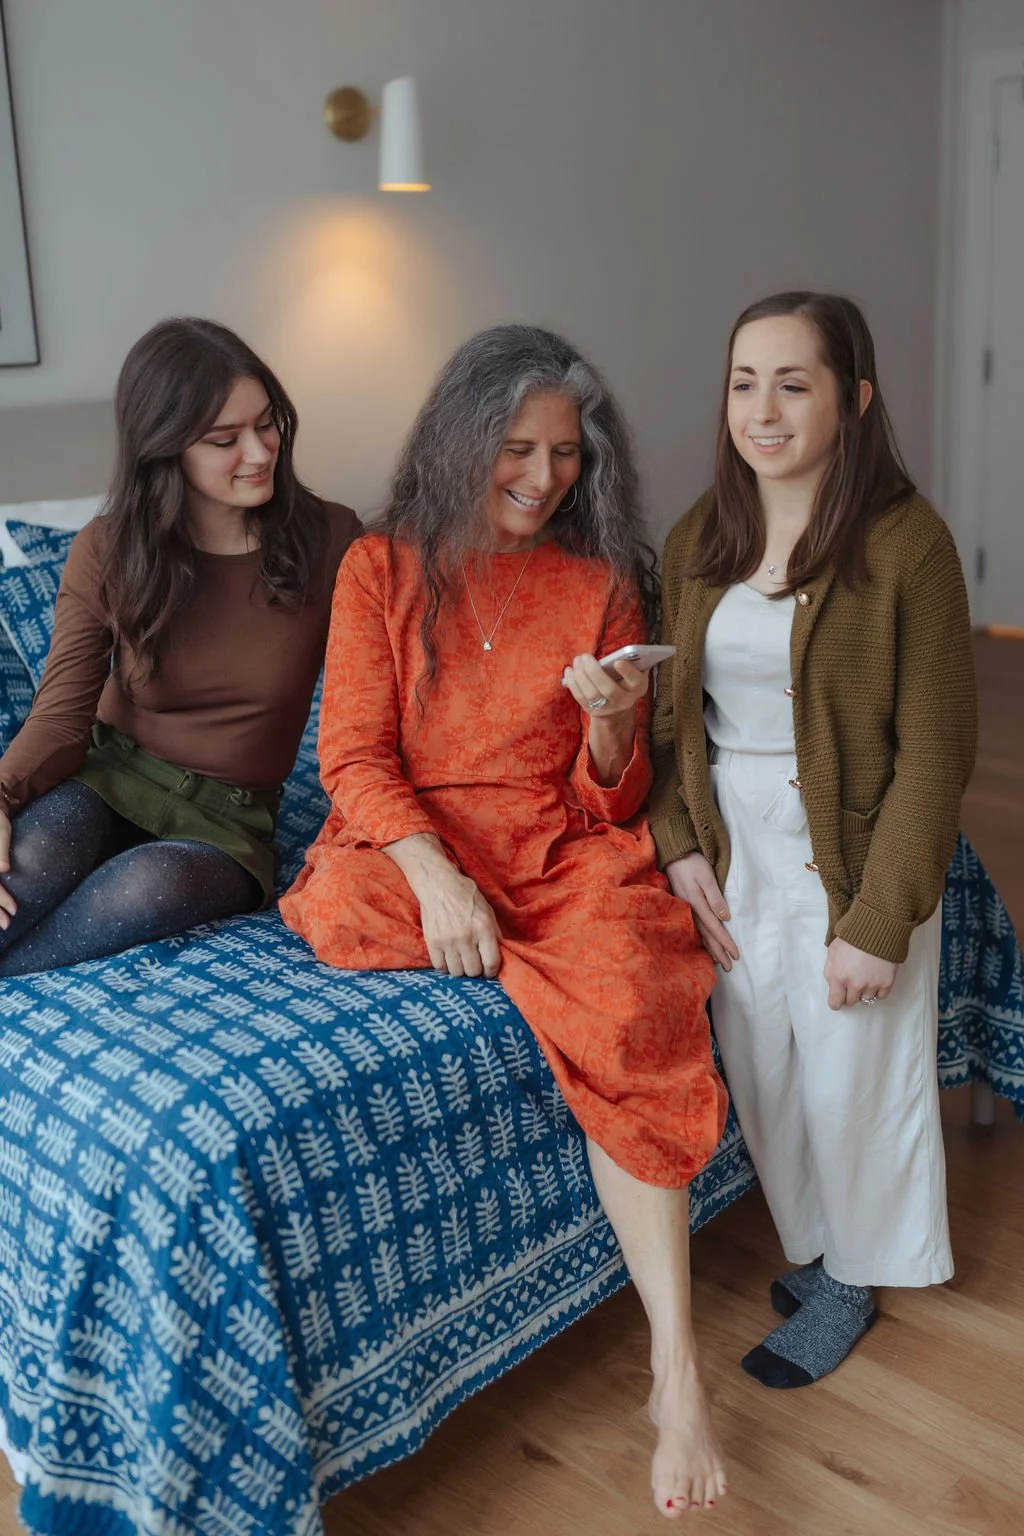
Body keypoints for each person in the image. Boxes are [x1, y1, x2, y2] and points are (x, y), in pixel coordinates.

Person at [281, 324, 730, 1516]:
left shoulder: (597, 586)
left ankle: (674, 1372)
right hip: (409, 849)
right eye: (518, 449)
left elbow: (610, 800)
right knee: (343, 894)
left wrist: (611, 728)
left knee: (634, 989)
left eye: (568, 455)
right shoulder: (379, 567)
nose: (544, 477)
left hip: (549, 845)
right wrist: (436, 878)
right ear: (462, 440)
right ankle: (503, 945)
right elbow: (353, 758)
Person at [649, 291, 977, 1389]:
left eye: (794, 383)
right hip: (733, 846)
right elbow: (663, 719)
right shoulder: (698, 536)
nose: (763, 409)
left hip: (849, 841)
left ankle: (855, 1279)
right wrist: (679, 844)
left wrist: (878, 922)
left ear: (855, 399)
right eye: (745, 382)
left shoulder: (907, 545)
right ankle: (824, 1249)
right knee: (767, 1062)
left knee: (852, 1070)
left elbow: (934, 753)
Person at [0, 317, 360, 975]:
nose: (259, 453)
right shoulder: (108, 549)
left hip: (230, 820)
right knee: (26, 866)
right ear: (165, 449)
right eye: (225, 439)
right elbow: (59, 720)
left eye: (266, 424)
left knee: (145, 891)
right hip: (106, 776)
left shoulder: (332, 540)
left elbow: (389, 686)